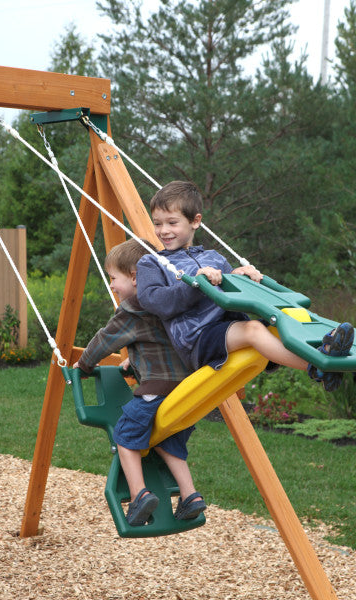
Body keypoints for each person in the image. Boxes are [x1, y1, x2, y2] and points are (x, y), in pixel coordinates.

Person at [136, 180, 354, 393]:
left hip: (229, 326)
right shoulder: (152, 263)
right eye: (157, 223)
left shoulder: (214, 258)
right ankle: (316, 366)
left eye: (172, 222)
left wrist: (243, 278)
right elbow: (153, 300)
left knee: (283, 321)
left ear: (195, 221)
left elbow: (234, 291)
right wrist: (195, 284)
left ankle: (328, 351)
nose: (163, 230)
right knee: (254, 329)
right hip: (198, 339)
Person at [73, 238, 206, 527]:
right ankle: (190, 495)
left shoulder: (133, 309)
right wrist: (135, 362)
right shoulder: (169, 305)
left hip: (155, 392)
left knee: (126, 436)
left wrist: (84, 365)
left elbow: (105, 339)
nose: (112, 286)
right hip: (186, 392)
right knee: (168, 441)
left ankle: (139, 495)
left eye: (114, 278)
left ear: (135, 277)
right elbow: (163, 344)